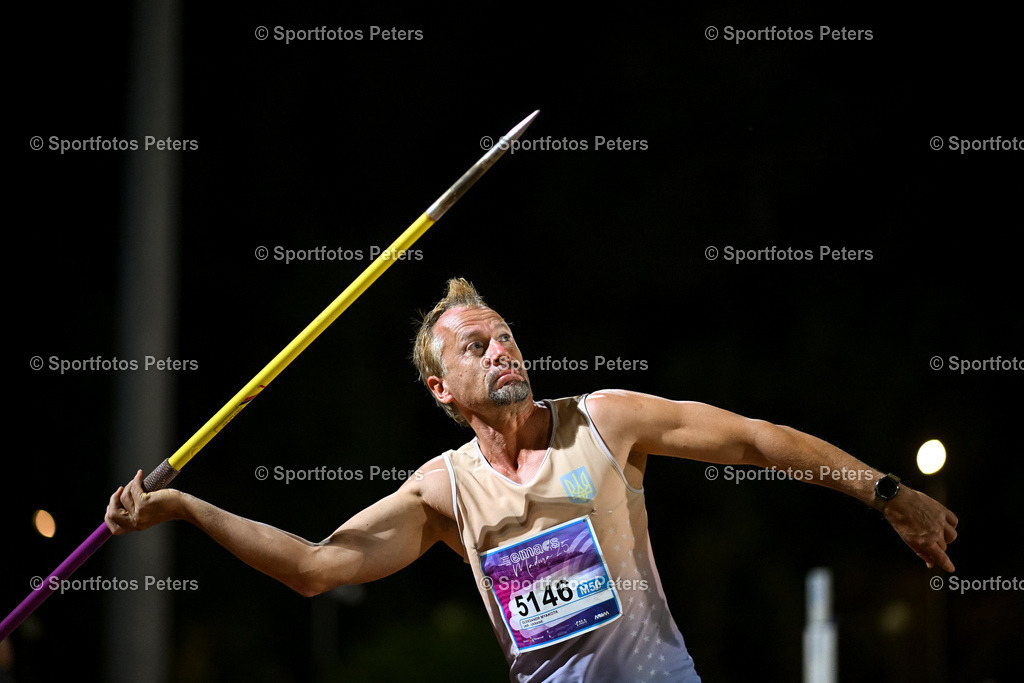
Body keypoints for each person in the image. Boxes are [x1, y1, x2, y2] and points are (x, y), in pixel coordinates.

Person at [105, 277, 959, 682]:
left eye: (505, 334)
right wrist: (182, 503)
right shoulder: (443, 491)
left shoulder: (604, 420)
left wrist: (886, 491)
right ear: (441, 389)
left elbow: (758, 441)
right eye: (476, 346)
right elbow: (313, 567)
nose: (502, 348)